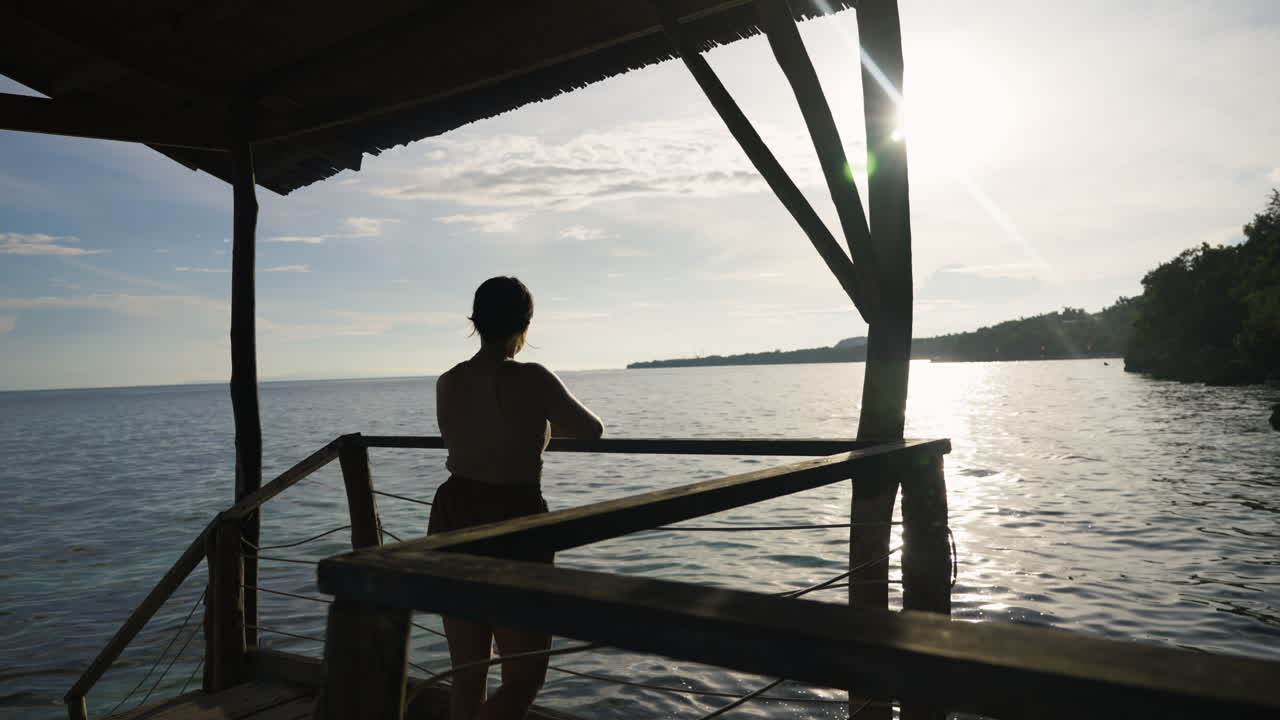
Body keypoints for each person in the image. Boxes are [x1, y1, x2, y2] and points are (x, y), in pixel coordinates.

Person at [431, 276, 604, 720]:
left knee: (468, 671)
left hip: (453, 513)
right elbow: (590, 429)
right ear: (525, 324)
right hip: (513, 519)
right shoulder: (531, 378)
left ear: (475, 322)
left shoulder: (448, 381)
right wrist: (543, 424)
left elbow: (473, 435)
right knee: (523, 678)